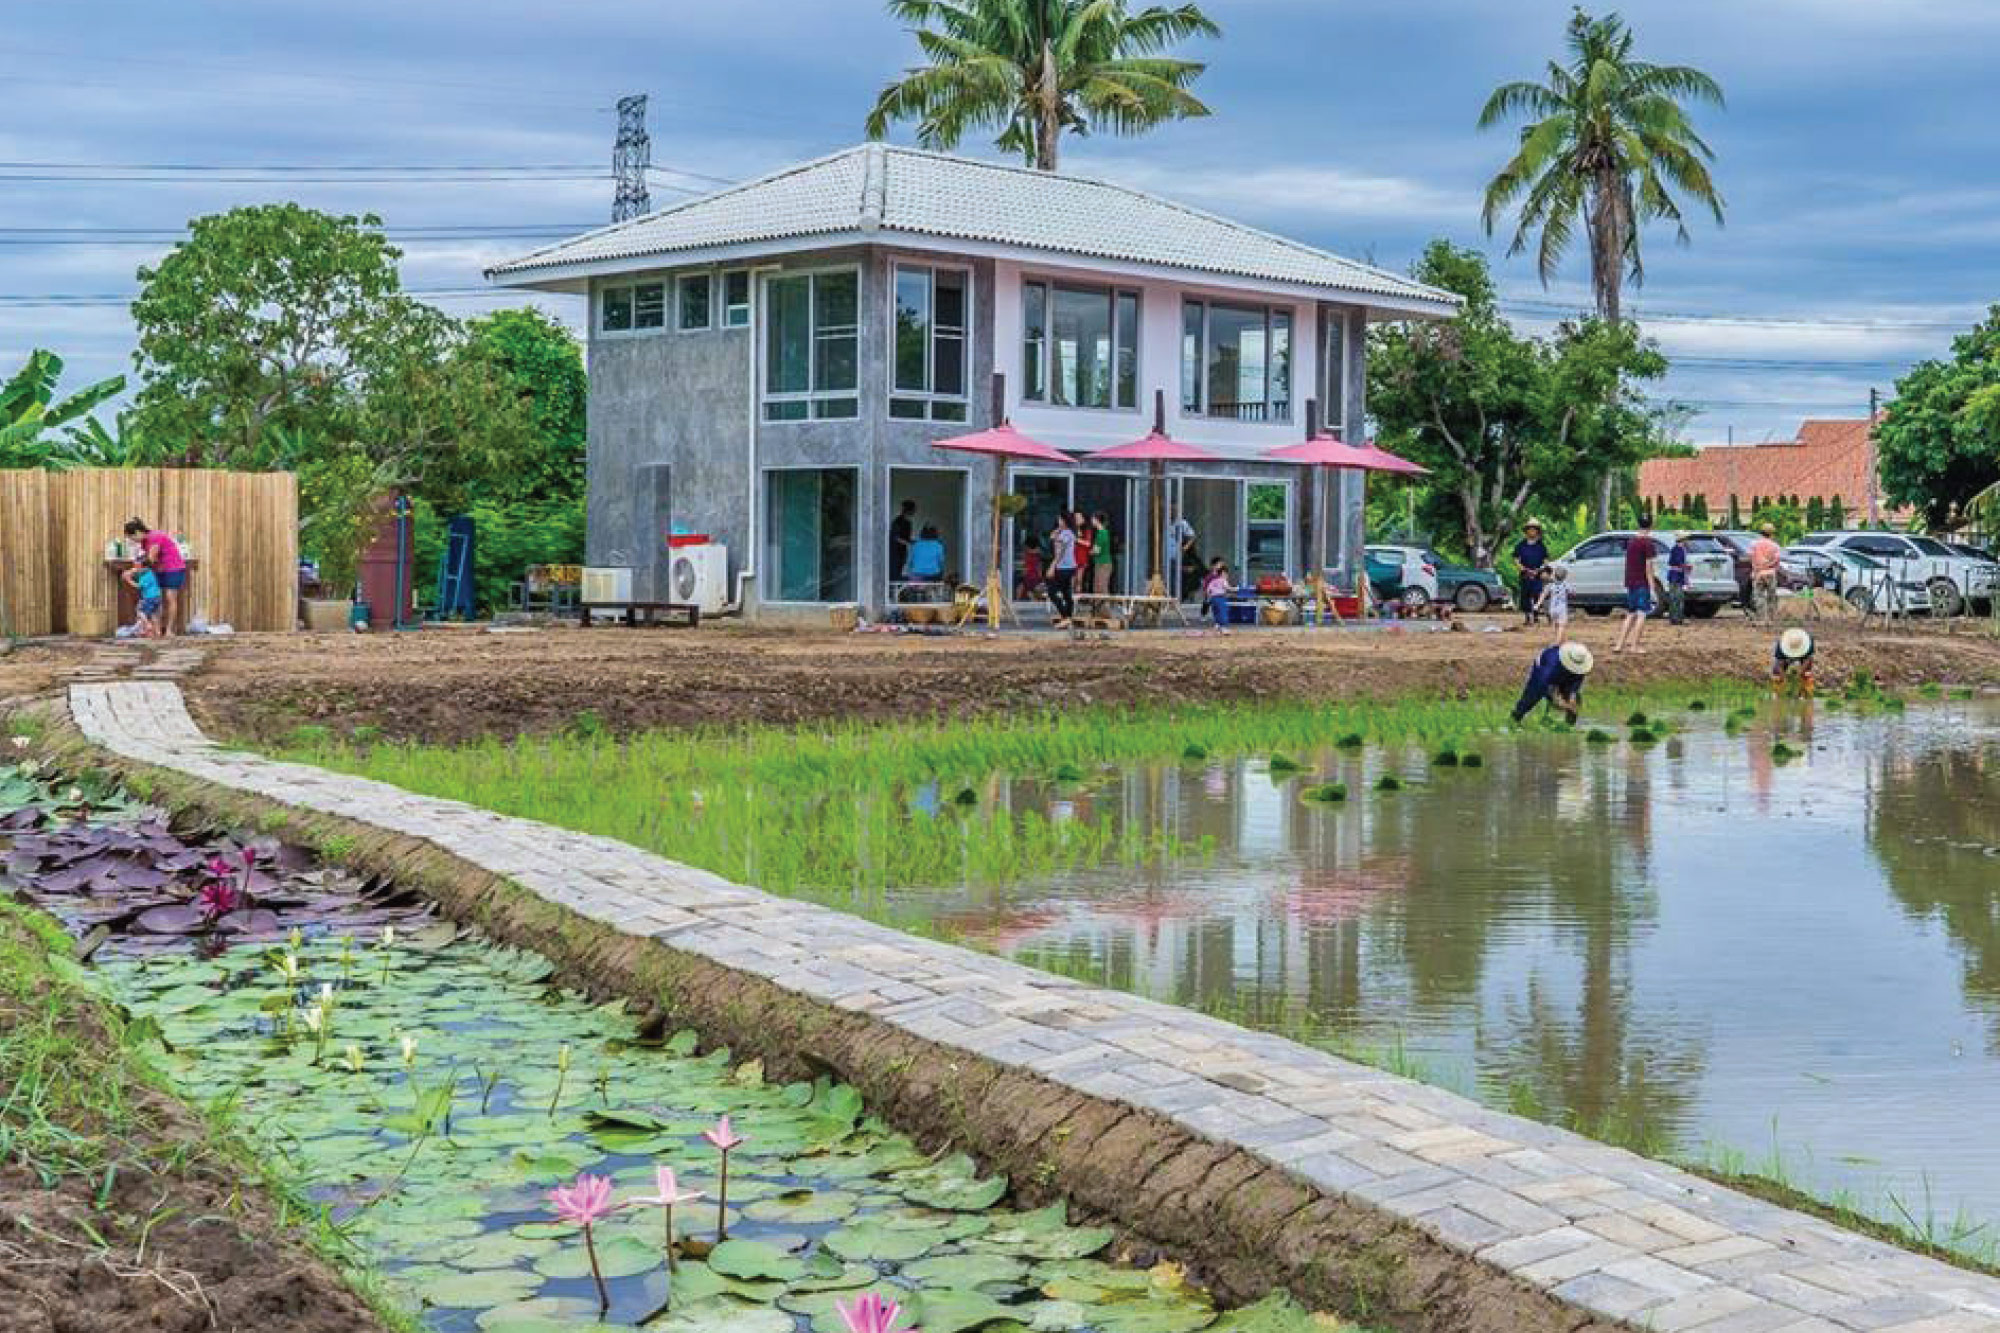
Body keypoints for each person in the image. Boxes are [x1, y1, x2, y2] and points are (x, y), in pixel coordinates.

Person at [123, 519, 186, 637]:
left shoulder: (154, 537)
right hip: (160, 569)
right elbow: (146, 559)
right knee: (156, 598)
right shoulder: (144, 542)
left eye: (132, 537)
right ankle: (157, 630)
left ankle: (169, 630)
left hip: (173, 567)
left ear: (138, 532)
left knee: (170, 597)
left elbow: (150, 560)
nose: (133, 541)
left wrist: (131, 572)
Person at [1511, 641, 1595, 724]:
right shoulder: (1551, 666)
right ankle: (1515, 719)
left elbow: (1577, 681)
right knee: (1532, 695)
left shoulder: (1580, 667)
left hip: (1563, 673)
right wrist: (1559, 702)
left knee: (1576, 700)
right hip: (1542, 672)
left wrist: (1572, 698)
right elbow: (1546, 686)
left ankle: (1569, 725)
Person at [1612, 522, 1660, 655]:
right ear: (1650, 528)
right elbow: (1649, 567)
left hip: (1631, 582)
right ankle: (1634, 646)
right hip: (1642, 583)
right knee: (1642, 614)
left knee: (1631, 613)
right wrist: (1652, 586)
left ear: (1639, 527)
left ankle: (1619, 645)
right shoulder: (1648, 544)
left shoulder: (1631, 542)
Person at [1513, 520, 1550, 626]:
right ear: (1527, 531)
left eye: (1534, 529)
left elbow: (1546, 560)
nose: (1532, 531)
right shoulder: (1521, 545)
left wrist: (1542, 570)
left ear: (1537, 531)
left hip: (1537, 573)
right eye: (1530, 529)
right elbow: (1516, 559)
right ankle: (1527, 617)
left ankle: (1536, 615)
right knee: (1525, 595)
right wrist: (1523, 569)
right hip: (1525, 573)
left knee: (1537, 594)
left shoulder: (1541, 545)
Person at [122, 552, 164, 638]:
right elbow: (135, 571)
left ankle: (147, 624)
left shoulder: (144, 577)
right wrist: (130, 572)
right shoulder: (150, 572)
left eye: (138, 567)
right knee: (154, 614)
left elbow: (138, 586)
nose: (136, 568)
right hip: (157, 597)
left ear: (144, 567)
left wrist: (128, 580)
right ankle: (157, 632)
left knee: (140, 611)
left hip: (149, 598)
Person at [1047, 513, 1078, 628]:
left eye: (1060, 519)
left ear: (1064, 521)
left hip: (1063, 567)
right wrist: (1055, 535)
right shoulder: (1069, 533)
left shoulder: (1065, 534)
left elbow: (1060, 553)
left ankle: (1065, 617)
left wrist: (1052, 566)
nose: (1058, 521)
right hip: (1069, 566)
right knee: (1066, 593)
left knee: (1052, 592)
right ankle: (1067, 618)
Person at [1749, 523, 1783, 624]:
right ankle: (1771, 620)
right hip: (1771, 573)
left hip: (1758, 574)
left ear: (1761, 533)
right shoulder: (1775, 546)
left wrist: (1756, 568)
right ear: (1772, 534)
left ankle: (1761, 619)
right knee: (1771, 597)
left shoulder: (1754, 544)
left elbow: (1751, 557)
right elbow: (1777, 560)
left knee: (1759, 596)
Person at [1773, 626, 1815, 697]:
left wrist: (1800, 672)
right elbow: (1779, 664)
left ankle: (1805, 693)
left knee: (1806, 673)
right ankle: (1777, 693)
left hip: (1804, 656)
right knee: (1777, 673)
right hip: (1785, 657)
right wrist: (1784, 677)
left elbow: (1808, 659)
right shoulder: (1780, 646)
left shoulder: (1809, 642)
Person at [1534, 565, 1571, 643]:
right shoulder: (1566, 584)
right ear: (1565, 577)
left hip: (1552, 609)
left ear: (1554, 575)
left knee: (1556, 625)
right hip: (1561, 609)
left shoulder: (1550, 585)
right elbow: (1572, 592)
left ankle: (1561, 640)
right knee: (1562, 625)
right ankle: (1557, 642)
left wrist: (1537, 605)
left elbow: (1543, 595)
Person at [1169, 514, 1199, 599]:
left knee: (1175, 579)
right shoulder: (1163, 522)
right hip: (1166, 557)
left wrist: (1184, 549)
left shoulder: (1181, 523)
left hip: (1176, 556)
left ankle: (1177, 598)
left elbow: (1192, 537)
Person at [1201, 557, 1234, 634]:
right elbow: (1207, 586)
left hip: (1215, 596)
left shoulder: (1220, 577)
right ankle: (1222, 626)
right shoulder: (1212, 576)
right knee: (1221, 611)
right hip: (1215, 596)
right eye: (1219, 564)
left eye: (1222, 564)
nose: (1221, 565)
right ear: (1213, 566)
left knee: (1217, 611)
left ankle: (1217, 625)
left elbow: (1223, 587)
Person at [1665, 532, 1691, 626]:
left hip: (1677, 575)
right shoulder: (1678, 549)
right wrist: (1686, 566)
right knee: (1677, 597)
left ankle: (1676, 618)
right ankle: (1677, 618)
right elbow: (1677, 562)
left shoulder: (1680, 549)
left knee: (1676, 597)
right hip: (1676, 575)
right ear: (1683, 540)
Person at [889, 500, 916, 582]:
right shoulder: (898, 522)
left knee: (898, 572)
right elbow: (895, 537)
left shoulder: (907, 523)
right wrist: (908, 543)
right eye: (914, 510)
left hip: (901, 552)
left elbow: (904, 538)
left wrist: (912, 542)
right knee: (894, 575)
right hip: (895, 552)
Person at [1072, 511, 1095, 601]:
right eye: (1075, 517)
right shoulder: (1072, 529)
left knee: (1079, 579)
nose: (1077, 519)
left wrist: (1077, 540)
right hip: (1072, 557)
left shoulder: (1087, 530)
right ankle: (1070, 598)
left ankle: (1077, 599)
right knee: (1072, 579)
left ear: (1083, 518)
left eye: (1079, 517)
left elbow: (1088, 543)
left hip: (1081, 557)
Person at [1090, 510, 1116, 595]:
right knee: (1098, 587)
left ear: (1097, 520)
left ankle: (1104, 604)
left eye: (1093, 519)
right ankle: (1099, 604)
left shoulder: (1101, 533)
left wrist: (1090, 552)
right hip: (1101, 563)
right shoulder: (1103, 532)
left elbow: (1097, 551)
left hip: (1103, 563)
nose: (1091, 521)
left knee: (1101, 587)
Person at [1016, 536, 1046, 601]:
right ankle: (1035, 600)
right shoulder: (1038, 554)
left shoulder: (1026, 554)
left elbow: (1024, 566)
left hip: (1027, 575)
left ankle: (1017, 600)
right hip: (1035, 576)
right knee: (1032, 592)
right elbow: (1039, 567)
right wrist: (1041, 577)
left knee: (1022, 588)